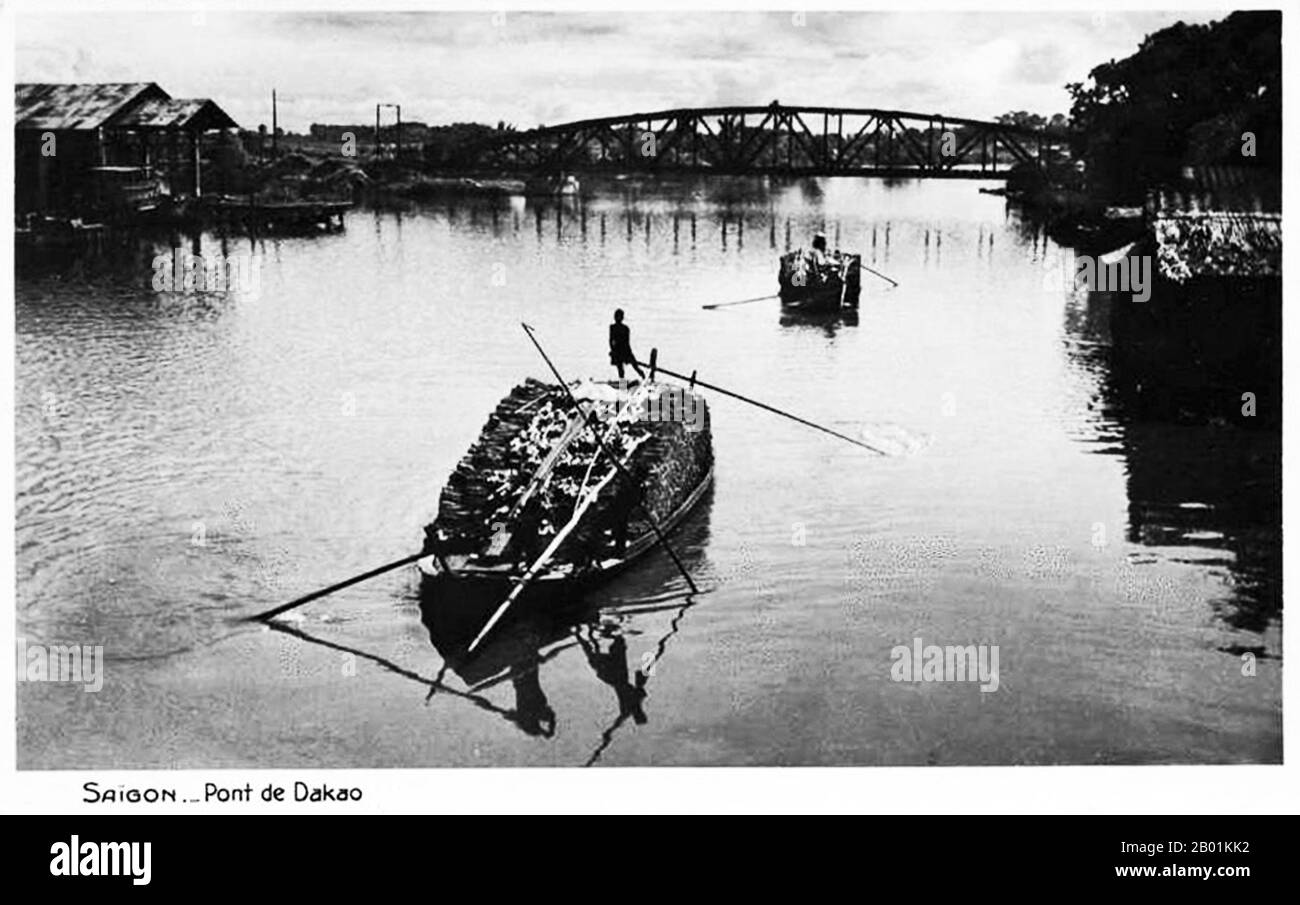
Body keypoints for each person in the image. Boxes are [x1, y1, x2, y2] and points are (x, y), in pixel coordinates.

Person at [608, 309, 645, 380]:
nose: (617, 318)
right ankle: (623, 387)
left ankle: (643, 378)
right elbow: (611, 341)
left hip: (623, 351)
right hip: (619, 351)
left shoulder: (624, 328)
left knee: (633, 367)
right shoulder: (614, 327)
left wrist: (614, 350)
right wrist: (613, 350)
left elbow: (625, 342)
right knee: (622, 370)